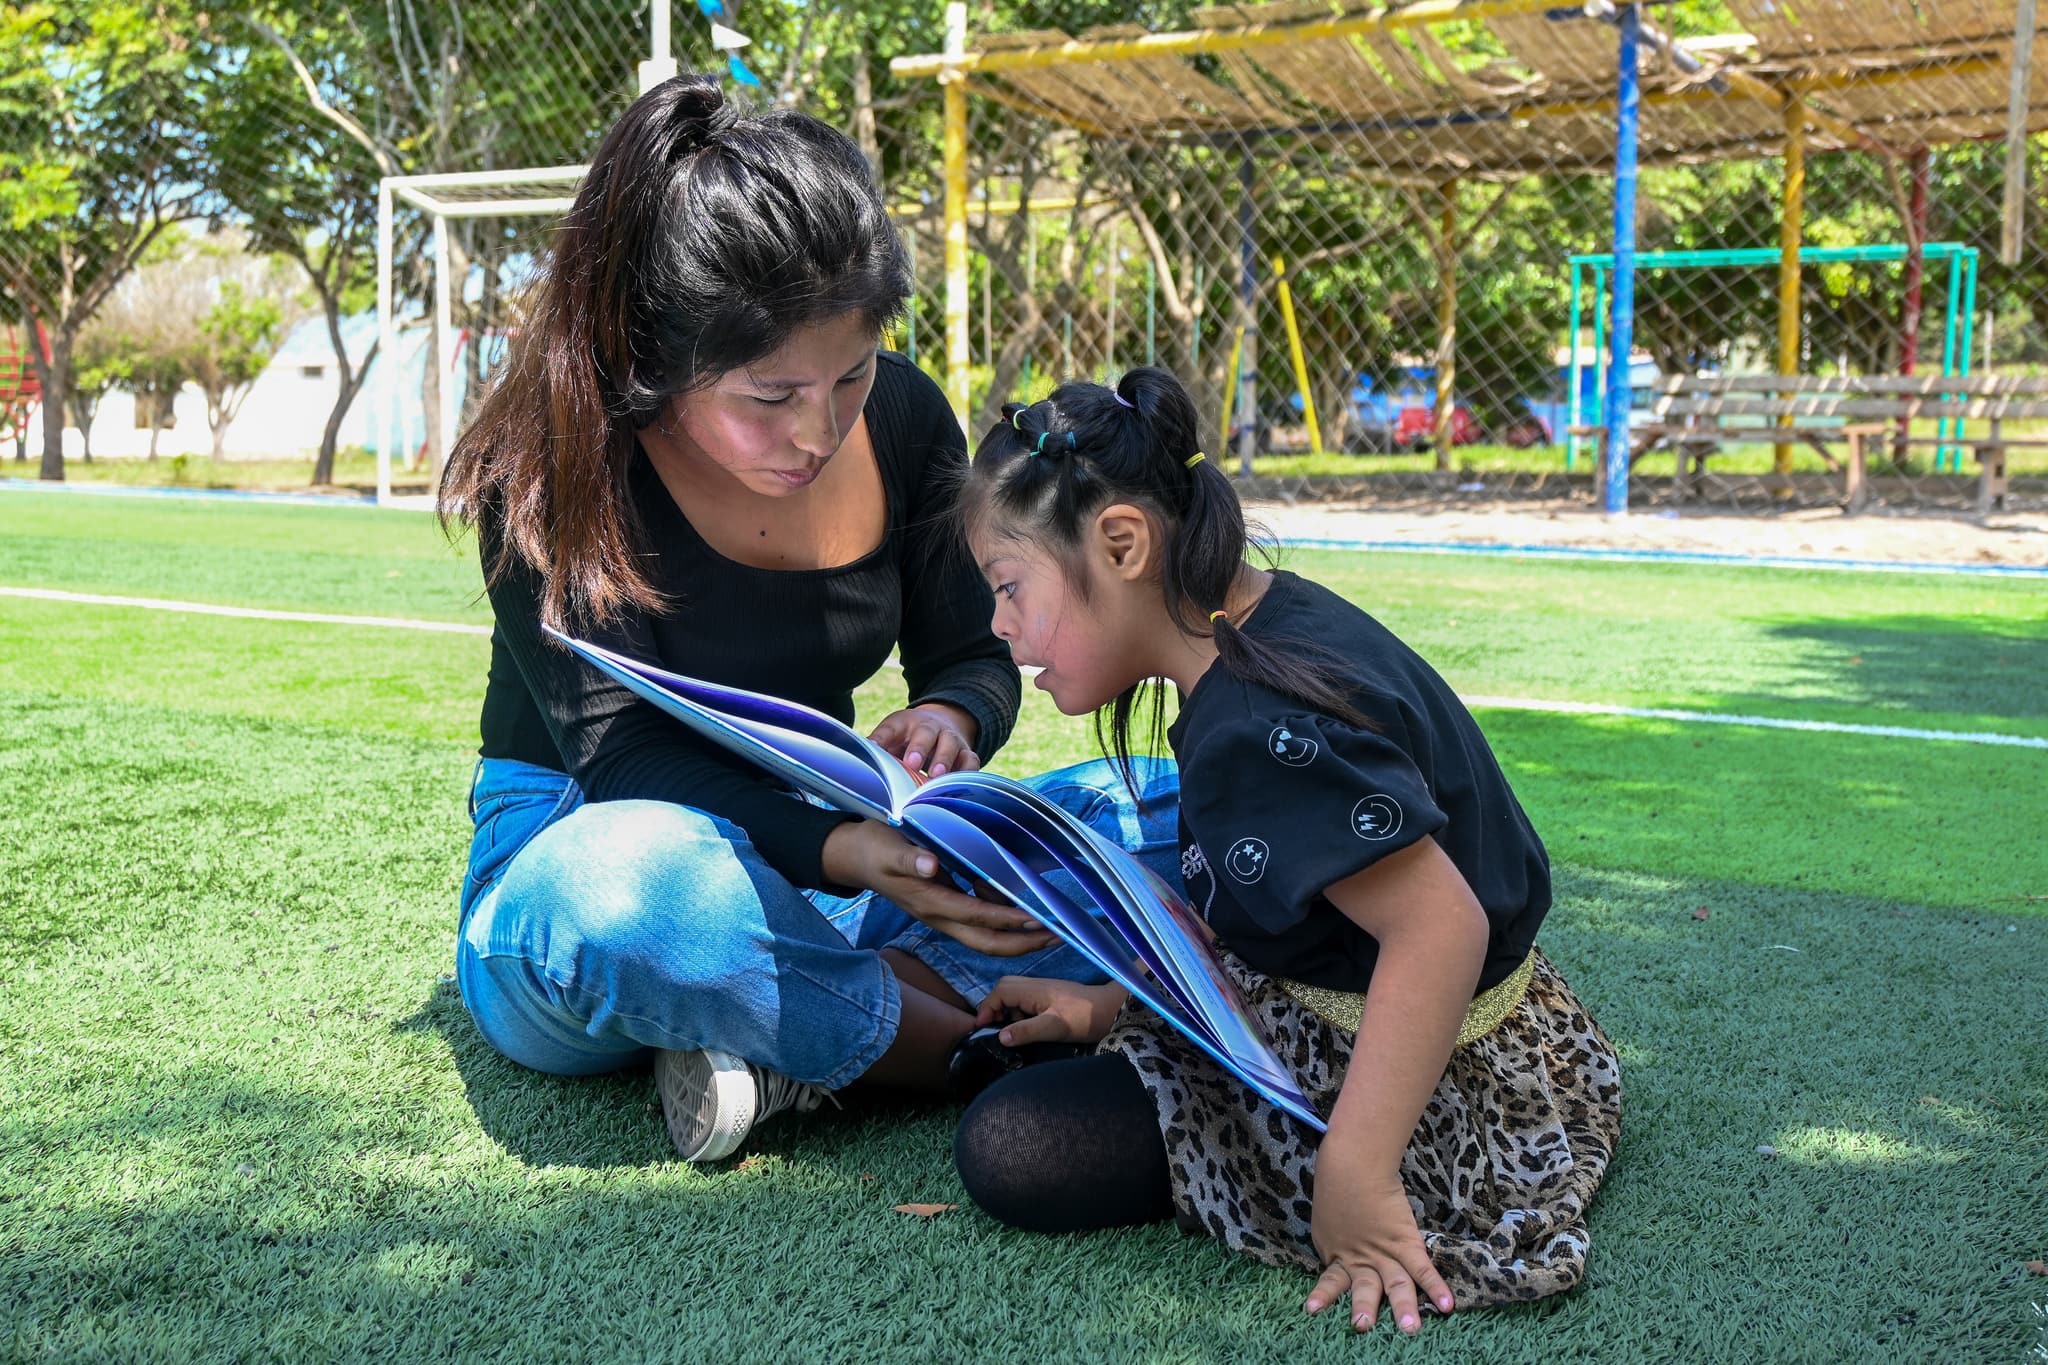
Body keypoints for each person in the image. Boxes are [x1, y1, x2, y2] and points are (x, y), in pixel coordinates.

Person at [436, 74, 1174, 1162]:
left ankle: (785, 1035)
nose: (817, 430)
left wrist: (950, 718)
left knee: (1178, 797)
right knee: (625, 893)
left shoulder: (908, 416)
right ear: (655, 362)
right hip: (605, 848)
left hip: (845, 843)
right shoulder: (547, 466)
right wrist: (845, 853)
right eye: (768, 398)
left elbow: (970, 650)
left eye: (851, 374)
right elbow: (625, 757)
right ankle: (972, 1053)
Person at [948, 367, 1621, 1331]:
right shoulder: (1261, 622)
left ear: (1123, 542)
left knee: (1014, 1146)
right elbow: (1303, 912)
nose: (999, 627)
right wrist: (1112, 1007)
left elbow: (1440, 927)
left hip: (1431, 1093)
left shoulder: (1255, 726)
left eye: (1009, 588)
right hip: (1488, 1034)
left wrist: (1357, 1170)